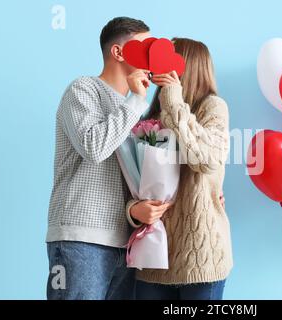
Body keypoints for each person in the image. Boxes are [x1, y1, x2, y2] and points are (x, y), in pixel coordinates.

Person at [46, 17, 172, 300]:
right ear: (118, 52)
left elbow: (129, 182)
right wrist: (137, 101)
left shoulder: (133, 110)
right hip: (81, 240)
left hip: (126, 243)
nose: (152, 55)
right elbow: (94, 147)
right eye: (145, 47)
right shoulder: (82, 90)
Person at [127, 38, 233, 300]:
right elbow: (128, 180)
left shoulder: (213, 107)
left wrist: (173, 101)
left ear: (188, 67)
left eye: (168, 60)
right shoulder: (150, 116)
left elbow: (205, 159)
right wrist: (132, 210)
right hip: (153, 259)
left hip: (200, 257)